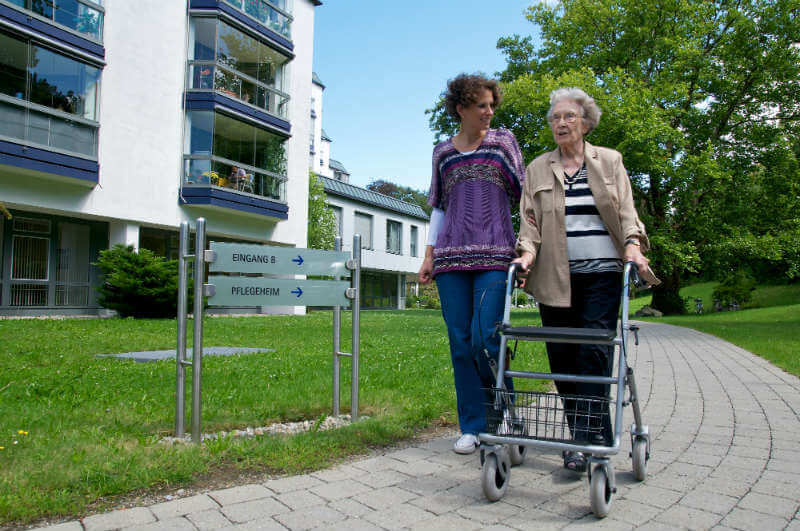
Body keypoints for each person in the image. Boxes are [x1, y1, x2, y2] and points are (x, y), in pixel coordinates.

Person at [512, 87, 657, 472]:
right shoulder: (538, 168)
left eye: (569, 117)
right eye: (555, 118)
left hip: (602, 274)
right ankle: (592, 434)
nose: (560, 123)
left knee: (593, 353)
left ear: (586, 122)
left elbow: (627, 211)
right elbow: (528, 220)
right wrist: (526, 252)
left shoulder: (609, 161)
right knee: (563, 358)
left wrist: (632, 244)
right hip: (555, 276)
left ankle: (582, 440)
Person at [419, 73, 524, 454]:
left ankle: (508, 410)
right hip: (450, 260)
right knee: (460, 344)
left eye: (492, 105)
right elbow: (439, 206)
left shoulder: (503, 143)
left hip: (496, 255)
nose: (489, 112)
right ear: (461, 108)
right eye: (481, 105)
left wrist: (528, 249)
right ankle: (473, 425)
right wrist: (429, 255)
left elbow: (525, 196)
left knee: (486, 339)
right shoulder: (442, 153)